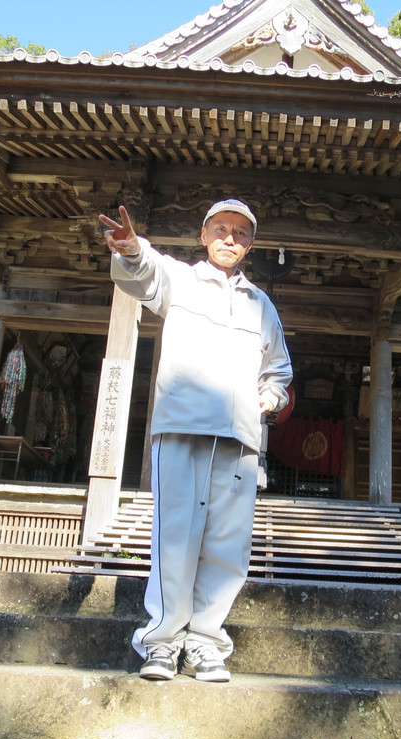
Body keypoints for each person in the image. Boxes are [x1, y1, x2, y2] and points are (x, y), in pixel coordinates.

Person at [98, 199, 292, 683]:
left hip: (240, 439)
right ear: (204, 235)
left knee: (228, 547)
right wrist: (129, 247)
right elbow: (143, 271)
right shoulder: (180, 279)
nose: (231, 239)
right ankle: (161, 642)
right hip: (181, 426)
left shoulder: (261, 304)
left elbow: (279, 371)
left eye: (241, 233)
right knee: (175, 538)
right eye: (222, 229)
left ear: (250, 244)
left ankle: (206, 643)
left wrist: (266, 399)